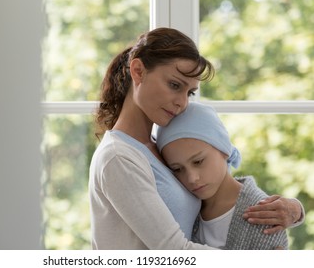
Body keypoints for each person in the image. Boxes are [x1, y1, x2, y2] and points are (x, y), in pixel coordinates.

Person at [89, 27, 304, 250]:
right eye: (174, 85)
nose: (182, 102)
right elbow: (175, 251)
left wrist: (294, 210)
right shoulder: (118, 157)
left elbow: (219, 183)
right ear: (138, 71)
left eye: (189, 92)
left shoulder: (158, 146)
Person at [156, 101, 290, 249]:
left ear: (224, 149)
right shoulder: (185, 208)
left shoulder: (265, 216)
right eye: (178, 169)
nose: (192, 178)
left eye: (198, 161)